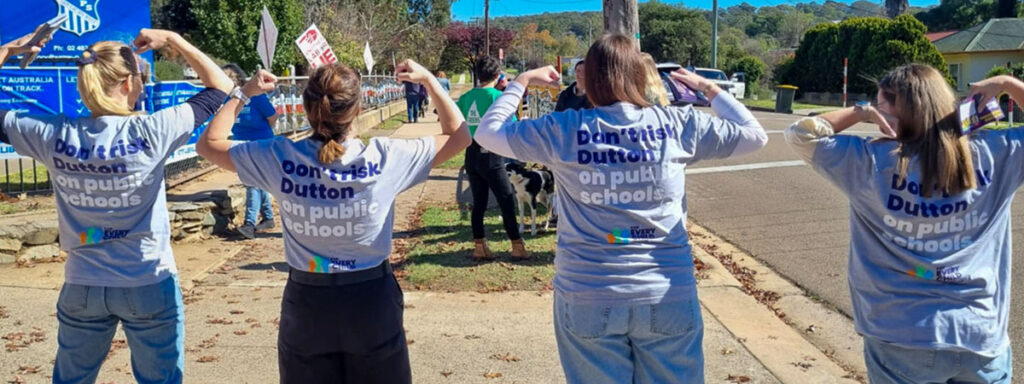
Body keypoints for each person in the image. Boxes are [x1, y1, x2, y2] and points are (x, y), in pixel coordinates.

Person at [474, 34, 767, 383]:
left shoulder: (564, 129)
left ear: (591, 80)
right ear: (639, 76)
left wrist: (520, 82)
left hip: (587, 293)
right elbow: (754, 135)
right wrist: (708, 88)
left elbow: (488, 133)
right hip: (666, 291)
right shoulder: (674, 124)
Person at [196, 59, 470, 384]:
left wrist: (245, 93)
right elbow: (459, 135)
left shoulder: (280, 156)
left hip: (307, 302)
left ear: (308, 108)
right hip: (371, 299)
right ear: (357, 109)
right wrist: (428, 80)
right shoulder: (385, 158)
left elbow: (208, 144)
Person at [0, 28, 232, 383]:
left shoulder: (54, 135)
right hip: (147, 281)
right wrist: (174, 40)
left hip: (83, 284)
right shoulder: (153, 131)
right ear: (128, 85)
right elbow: (220, 88)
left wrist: (9, 49)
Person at [784, 64, 1016, 384]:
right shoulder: (996, 152)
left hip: (898, 332)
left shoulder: (868, 160)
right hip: (979, 331)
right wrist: (1007, 84)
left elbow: (801, 133)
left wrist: (861, 113)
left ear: (890, 111)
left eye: (881, 104)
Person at [457, 56, 529, 261]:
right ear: (498, 76)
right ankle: (517, 245)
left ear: (477, 75)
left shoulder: (465, 98)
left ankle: (479, 246)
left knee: (478, 202)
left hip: (471, 154)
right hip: (492, 155)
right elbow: (511, 124)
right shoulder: (499, 97)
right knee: (506, 200)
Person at [222, 63, 279, 238]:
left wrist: (261, 134)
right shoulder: (227, 99)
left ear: (236, 79)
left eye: (227, 77)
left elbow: (273, 116)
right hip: (241, 145)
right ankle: (268, 218)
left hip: (261, 144)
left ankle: (249, 224)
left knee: (252, 183)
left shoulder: (256, 96)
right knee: (257, 182)